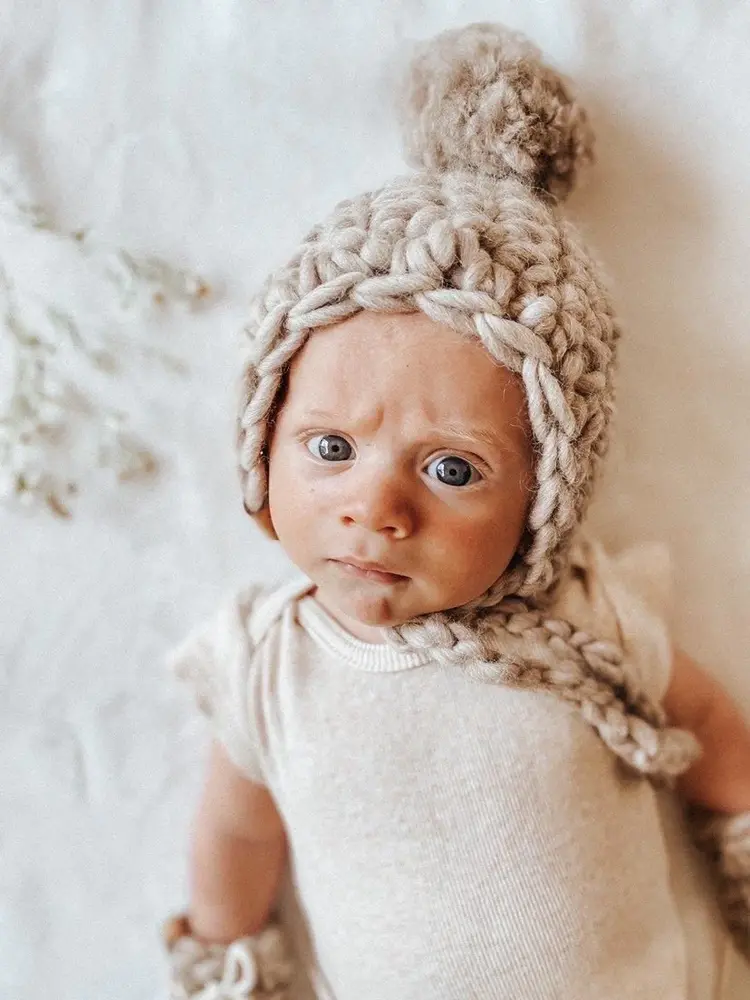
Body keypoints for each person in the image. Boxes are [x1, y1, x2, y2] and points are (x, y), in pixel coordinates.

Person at [163, 22, 750, 1000]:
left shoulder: (590, 623)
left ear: (543, 497)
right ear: (264, 446)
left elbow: (705, 721)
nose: (377, 507)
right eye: (333, 449)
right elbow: (236, 828)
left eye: (451, 468)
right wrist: (229, 961)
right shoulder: (269, 664)